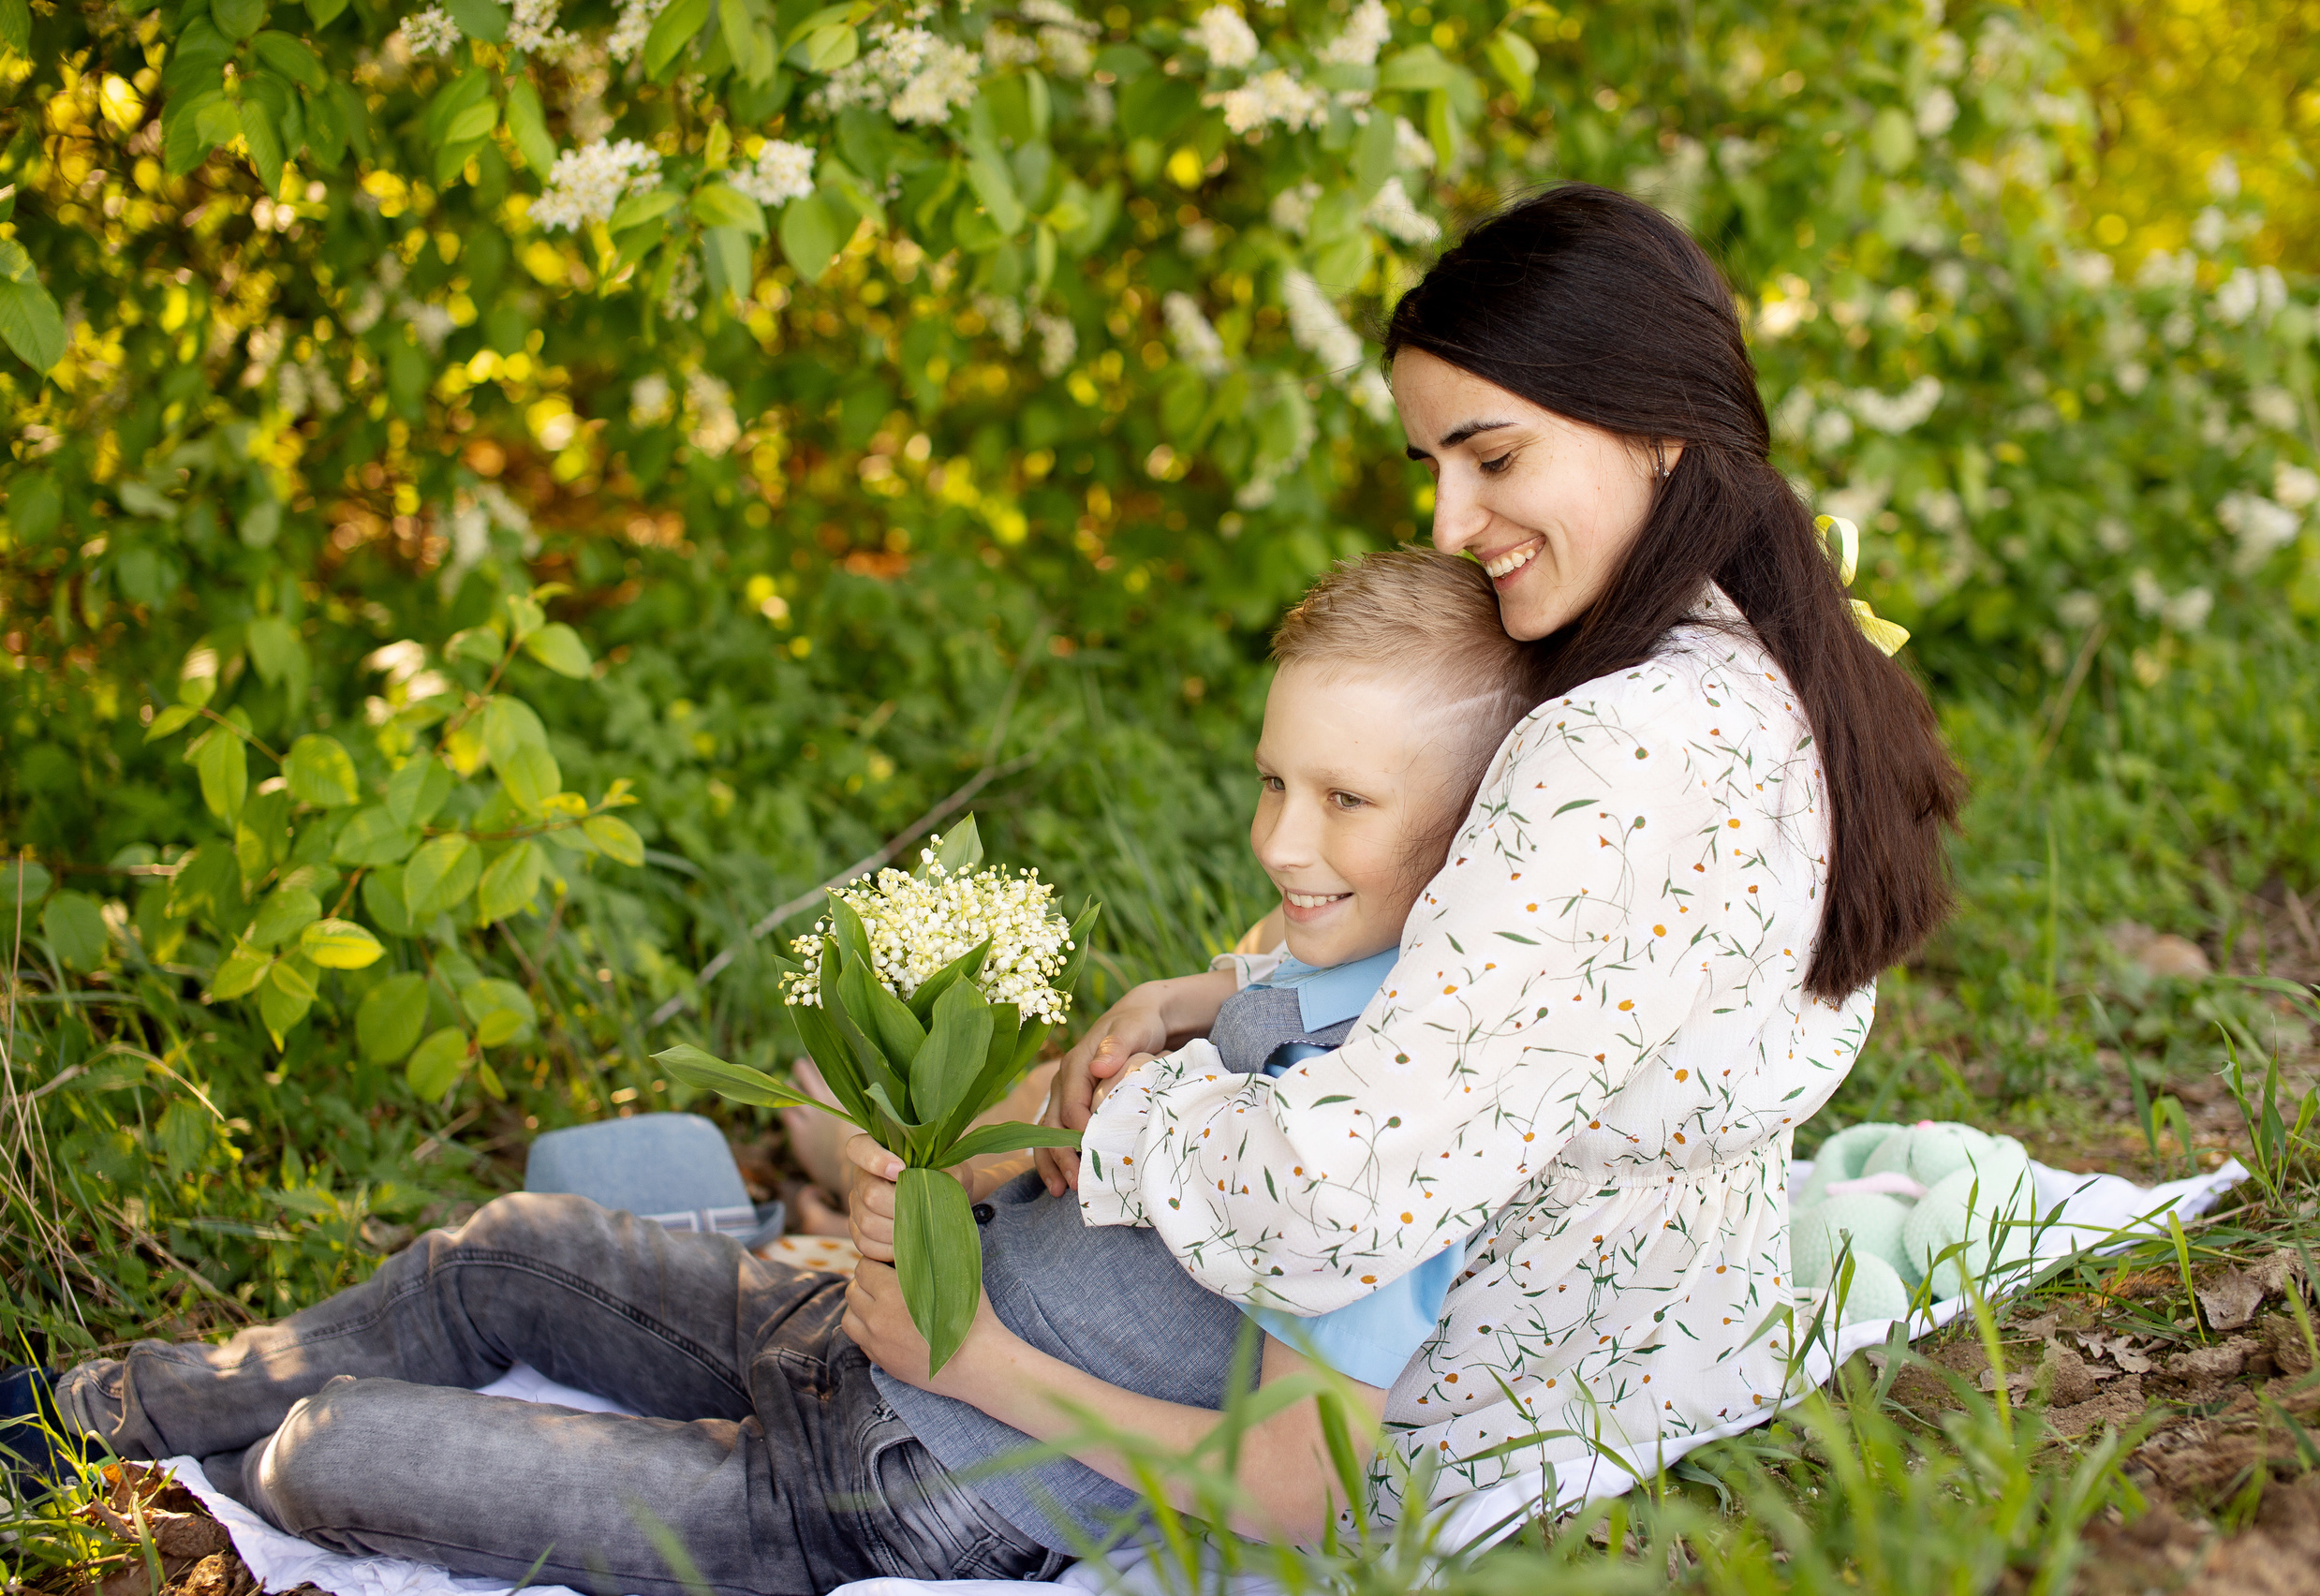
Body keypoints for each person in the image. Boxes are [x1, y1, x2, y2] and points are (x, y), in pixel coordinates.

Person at [5, 549, 1543, 1592]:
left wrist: (974, 1366)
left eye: (1345, 800)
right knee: (508, 1251)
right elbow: (1120, 1149)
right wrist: (996, 1138)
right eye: (1273, 779)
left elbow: (1293, 1491)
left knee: (334, 1450)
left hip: (898, 1479)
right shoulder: (1307, 971)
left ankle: (210, 1485)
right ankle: (87, 1411)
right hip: (854, 1329)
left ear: (1475, 832)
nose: (1283, 840)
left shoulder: (1407, 1131)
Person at [1033, 181, 1964, 1524]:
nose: (1449, 524)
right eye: (1435, 468)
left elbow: (1340, 1196)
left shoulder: (1620, 746)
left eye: (1495, 459)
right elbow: (1540, 1008)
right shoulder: (1774, 666)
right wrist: (1214, 997)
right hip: (1662, 1341)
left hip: (1466, 1398)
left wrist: (1121, 1120)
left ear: (1655, 426)